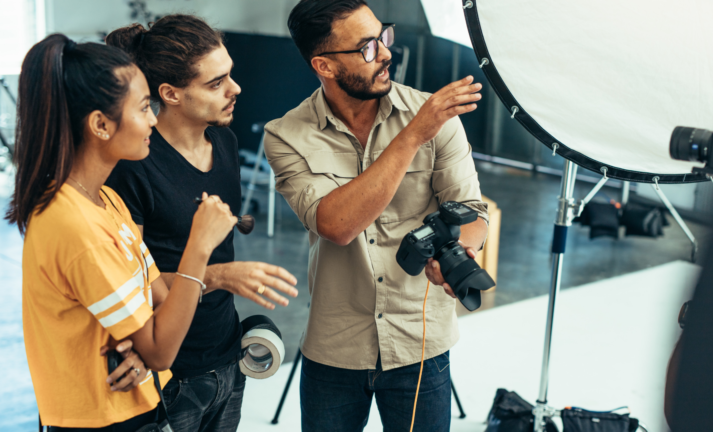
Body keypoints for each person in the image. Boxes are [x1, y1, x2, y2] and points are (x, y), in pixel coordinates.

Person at [265, 1, 489, 430]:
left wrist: (463, 249)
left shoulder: (435, 118)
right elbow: (337, 225)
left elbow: (473, 212)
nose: (386, 53)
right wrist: (411, 137)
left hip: (419, 343)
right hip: (335, 346)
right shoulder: (286, 134)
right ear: (324, 65)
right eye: (367, 48)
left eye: (383, 36)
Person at [6, 34, 237, 431]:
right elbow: (162, 349)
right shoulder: (74, 226)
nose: (152, 118)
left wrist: (143, 343)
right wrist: (200, 244)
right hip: (103, 420)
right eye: (145, 107)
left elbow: (161, 301)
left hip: (142, 406)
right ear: (100, 124)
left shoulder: (106, 201)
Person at [105, 15, 298, 432]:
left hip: (227, 357)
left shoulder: (224, 142)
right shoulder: (134, 167)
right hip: (166, 371)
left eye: (230, 75)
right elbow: (134, 285)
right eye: (216, 83)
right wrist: (222, 275)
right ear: (170, 94)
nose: (235, 90)